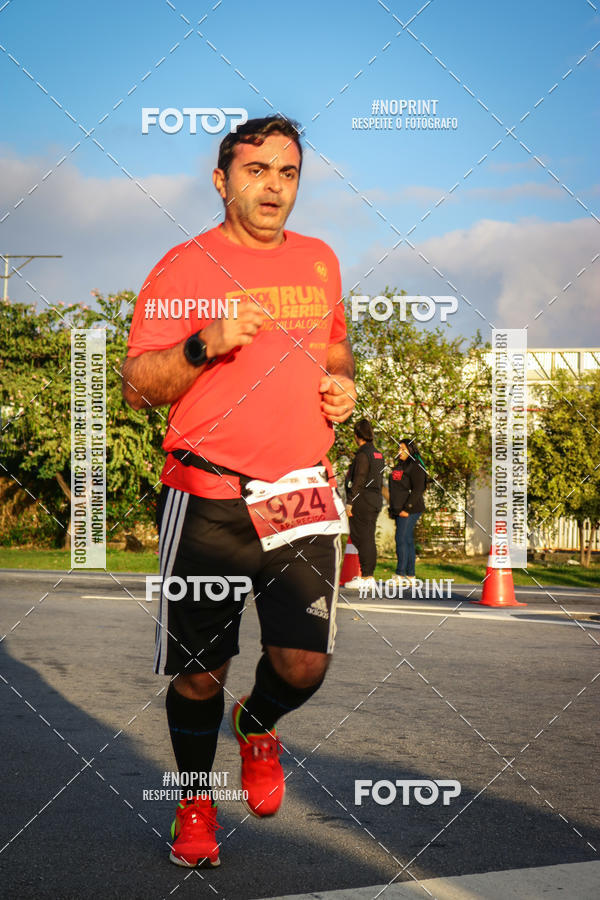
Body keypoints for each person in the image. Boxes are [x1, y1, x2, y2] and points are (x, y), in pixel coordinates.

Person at [121, 115, 356, 868]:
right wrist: (204, 344)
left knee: (302, 666)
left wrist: (343, 381)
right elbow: (134, 385)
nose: (273, 187)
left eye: (287, 173)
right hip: (211, 497)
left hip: (300, 494)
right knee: (199, 673)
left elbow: (336, 343)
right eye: (256, 171)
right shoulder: (183, 267)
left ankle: (257, 724)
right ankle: (193, 802)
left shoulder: (321, 261)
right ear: (222, 180)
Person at [343, 419, 385, 588]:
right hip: (375, 499)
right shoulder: (378, 454)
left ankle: (367, 577)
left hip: (363, 499)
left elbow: (359, 478)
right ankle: (368, 575)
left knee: (362, 537)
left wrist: (350, 501)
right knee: (368, 536)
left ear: (357, 435)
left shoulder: (362, 454)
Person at [388, 438, 427, 585]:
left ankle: (400, 574)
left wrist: (407, 508)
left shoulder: (415, 465)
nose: (400, 452)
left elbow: (418, 489)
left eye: (403, 449)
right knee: (408, 540)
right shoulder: (400, 465)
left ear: (411, 450)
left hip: (411, 509)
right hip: (399, 509)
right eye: (399, 449)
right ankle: (411, 575)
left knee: (401, 538)